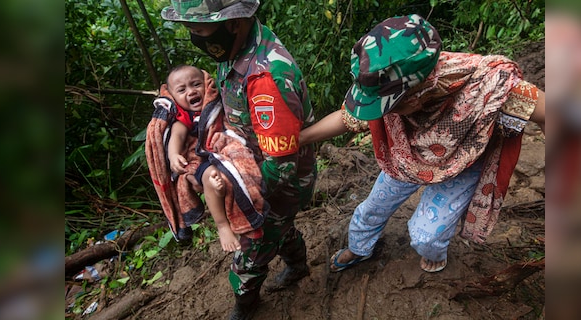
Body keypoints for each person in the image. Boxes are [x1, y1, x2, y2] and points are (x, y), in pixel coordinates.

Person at [301, 14, 545, 274]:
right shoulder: (386, 84)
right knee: (371, 208)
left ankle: (436, 253)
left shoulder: (488, 86)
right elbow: (348, 118)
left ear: (417, 95)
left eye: (390, 106)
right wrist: (301, 139)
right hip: (406, 154)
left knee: (426, 237)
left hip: (463, 162)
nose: (382, 114)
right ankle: (359, 247)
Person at [160, 1, 317, 319]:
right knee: (280, 229)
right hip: (251, 159)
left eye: (199, 30)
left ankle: (246, 305)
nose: (194, 37)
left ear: (233, 23)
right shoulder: (238, 46)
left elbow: (281, 165)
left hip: (275, 182)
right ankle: (298, 266)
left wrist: (234, 195)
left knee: (248, 255)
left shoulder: (266, 78)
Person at [165, 64, 240, 252]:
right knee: (210, 175)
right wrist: (174, 155)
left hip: (222, 152)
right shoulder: (184, 117)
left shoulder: (216, 103)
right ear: (173, 97)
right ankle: (222, 226)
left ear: (206, 85)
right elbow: (177, 136)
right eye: (182, 90)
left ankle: (220, 187)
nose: (191, 91)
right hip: (201, 160)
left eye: (196, 84)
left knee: (231, 172)